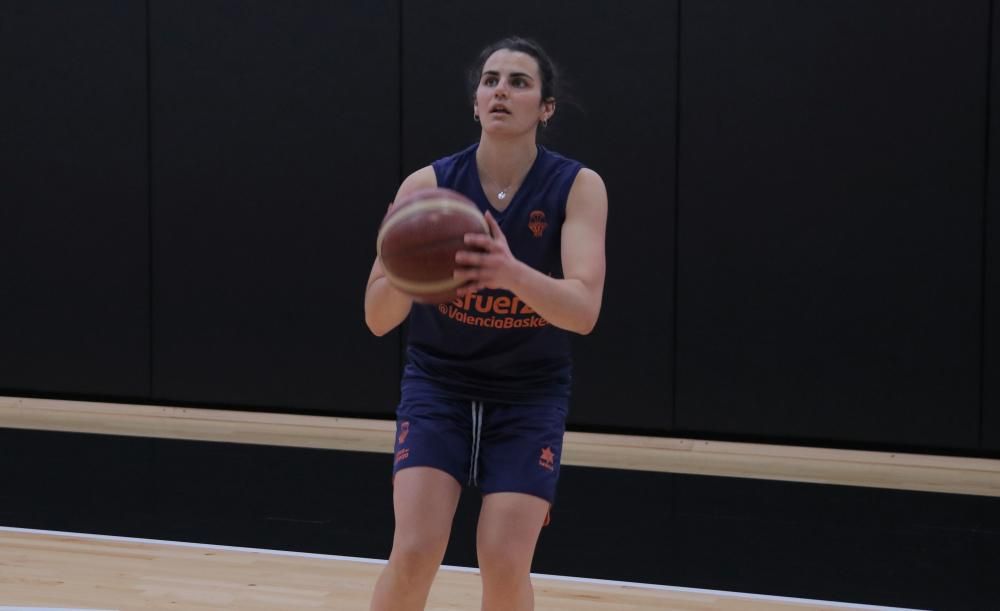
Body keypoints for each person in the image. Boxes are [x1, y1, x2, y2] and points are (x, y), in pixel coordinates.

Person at [365, 36, 608, 611]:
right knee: (416, 551)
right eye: (491, 81)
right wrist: (411, 264)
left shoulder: (578, 186)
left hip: (528, 395)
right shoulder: (427, 188)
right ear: (476, 103)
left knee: (503, 561)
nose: (502, 90)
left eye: (519, 82)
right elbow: (377, 319)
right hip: (439, 385)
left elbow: (583, 310)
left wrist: (508, 271)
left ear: (545, 108)